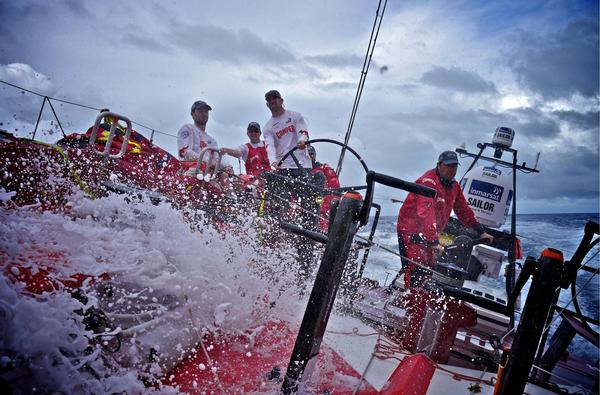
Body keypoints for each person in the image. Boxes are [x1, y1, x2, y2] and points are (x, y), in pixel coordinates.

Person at [396, 150, 494, 288]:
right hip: (411, 232)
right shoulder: (428, 182)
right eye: (448, 166)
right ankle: (411, 305)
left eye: (454, 166)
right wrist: (434, 241)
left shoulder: (454, 186)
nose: (451, 170)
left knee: (430, 270)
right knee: (416, 271)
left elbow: (463, 210)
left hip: (430, 236)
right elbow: (425, 213)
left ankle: (419, 304)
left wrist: (480, 231)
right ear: (439, 165)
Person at [262, 89, 318, 285]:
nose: (272, 102)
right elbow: (269, 146)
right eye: (269, 100)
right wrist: (272, 163)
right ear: (267, 104)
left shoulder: (295, 116)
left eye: (274, 98)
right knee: (279, 204)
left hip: (301, 167)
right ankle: (280, 236)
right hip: (284, 169)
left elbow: (303, 131)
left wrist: (303, 141)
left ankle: (309, 236)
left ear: (281, 100)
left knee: (309, 207)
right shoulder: (268, 127)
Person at [308, 145, 341, 232]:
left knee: (321, 219)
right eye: (306, 154)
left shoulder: (325, 170)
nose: (309, 156)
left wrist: (322, 209)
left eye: (311, 154)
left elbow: (334, 192)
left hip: (321, 204)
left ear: (315, 155)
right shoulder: (296, 172)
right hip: (303, 206)